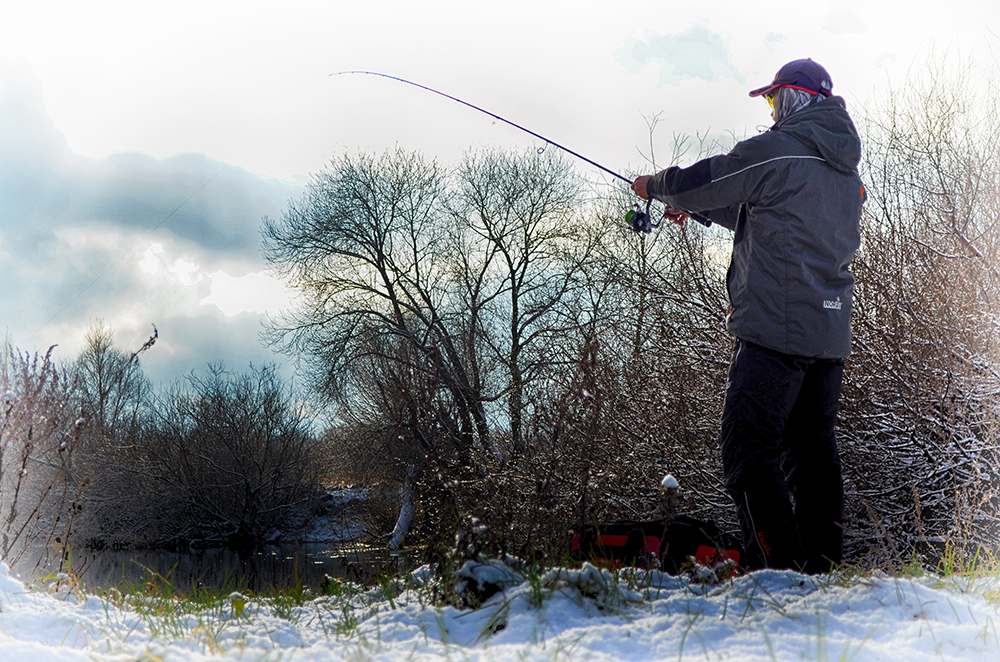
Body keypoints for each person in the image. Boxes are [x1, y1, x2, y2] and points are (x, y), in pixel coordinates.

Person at [631, 58, 864, 572]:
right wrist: (701, 210)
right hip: (827, 338)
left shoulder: (778, 149)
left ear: (794, 97)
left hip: (775, 334)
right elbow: (774, 209)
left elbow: (713, 177)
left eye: (773, 99)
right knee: (812, 456)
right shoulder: (845, 172)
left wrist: (658, 186)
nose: (772, 110)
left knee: (747, 452)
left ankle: (775, 571)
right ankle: (820, 571)